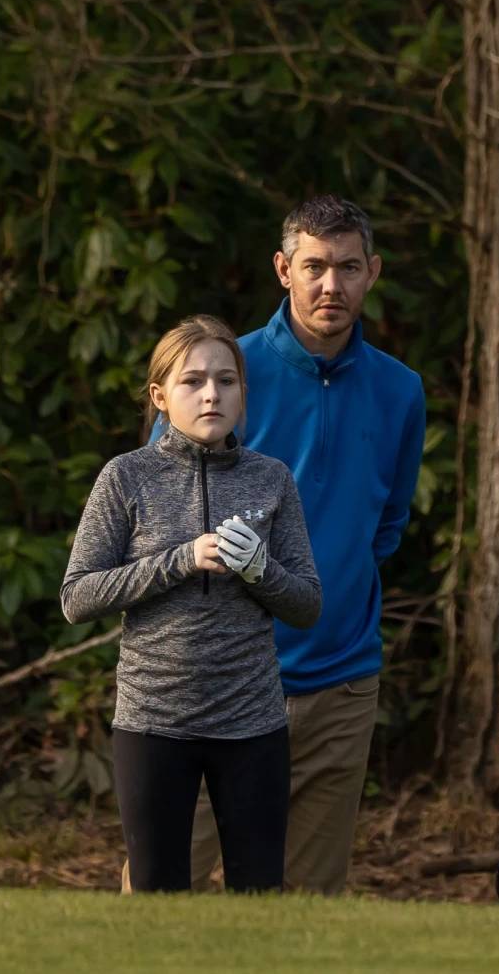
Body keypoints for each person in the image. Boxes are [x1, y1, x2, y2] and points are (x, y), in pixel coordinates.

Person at [145, 196, 426, 895]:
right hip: (218, 680)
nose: (331, 285)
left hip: (340, 681)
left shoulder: (400, 389)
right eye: (315, 267)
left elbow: (383, 527)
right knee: (159, 891)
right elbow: (159, 509)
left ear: (373, 272)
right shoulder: (223, 371)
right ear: (283, 269)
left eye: (348, 268)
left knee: (304, 909)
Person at [62, 314, 321, 892]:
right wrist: (179, 560)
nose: (212, 394)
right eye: (193, 381)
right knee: (156, 896)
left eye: (226, 381)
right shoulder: (125, 478)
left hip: (251, 722)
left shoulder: (272, 478)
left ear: (243, 393)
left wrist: (260, 569)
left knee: (258, 896)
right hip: (154, 721)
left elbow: (306, 605)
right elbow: (76, 596)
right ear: (160, 396)